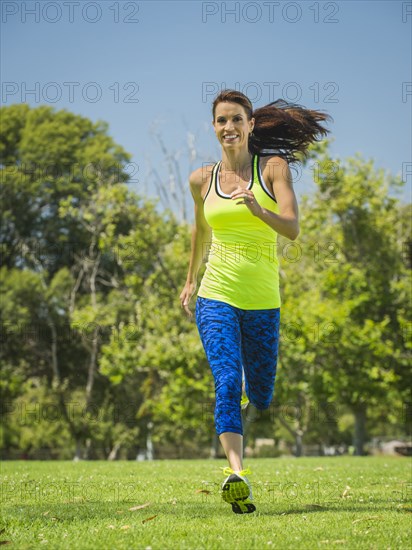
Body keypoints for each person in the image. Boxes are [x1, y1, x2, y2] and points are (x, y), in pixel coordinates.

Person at [180, 89, 331, 514]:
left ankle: (251, 394)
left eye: (236, 120)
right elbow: (200, 232)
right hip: (217, 294)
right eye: (221, 121)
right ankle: (237, 474)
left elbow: (293, 227)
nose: (228, 127)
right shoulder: (201, 180)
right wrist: (191, 280)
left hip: (263, 299)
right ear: (214, 127)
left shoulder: (273, 168)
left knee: (261, 393)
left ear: (250, 125)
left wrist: (257, 210)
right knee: (227, 381)